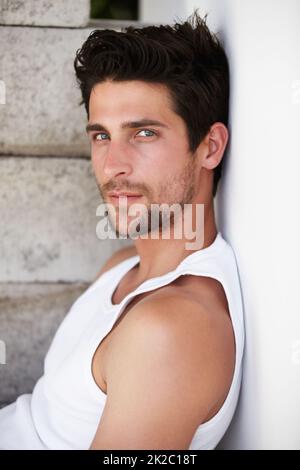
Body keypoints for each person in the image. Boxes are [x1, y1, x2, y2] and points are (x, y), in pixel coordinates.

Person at [0, 9, 244, 450]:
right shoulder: (123, 266)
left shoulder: (171, 328)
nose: (112, 165)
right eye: (101, 135)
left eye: (144, 133)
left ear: (209, 147)